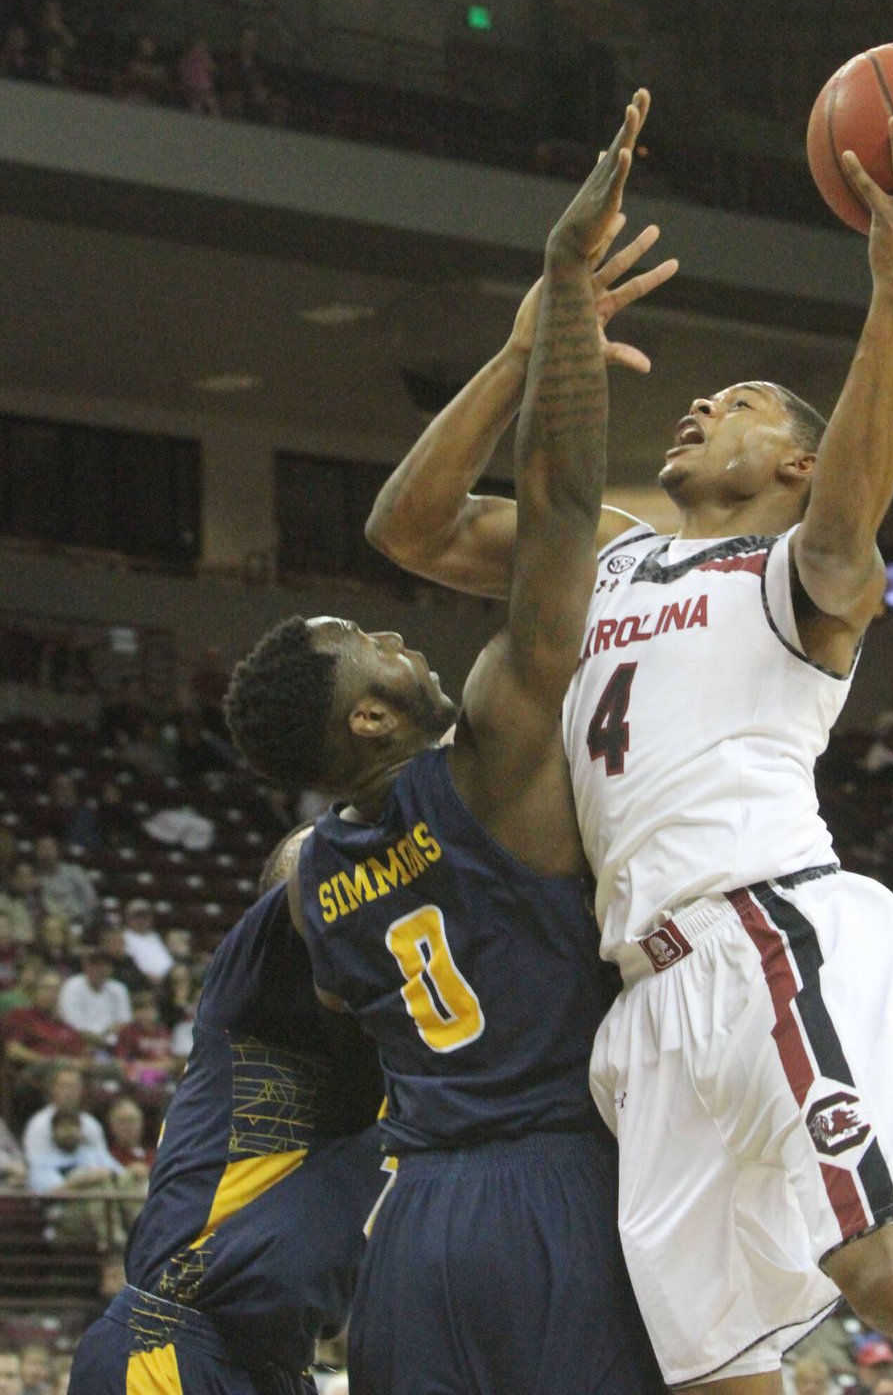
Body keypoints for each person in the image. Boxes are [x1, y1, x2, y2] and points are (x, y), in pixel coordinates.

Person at [367, 104, 893, 1393]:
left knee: (881, 1265)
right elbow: (412, 529)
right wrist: (525, 346)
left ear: (799, 461)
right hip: (640, 1002)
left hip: (761, 929)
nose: (704, 400)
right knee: (717, 1372)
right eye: (710, 392)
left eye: (744, 404)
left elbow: (845, 533)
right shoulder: (607, 549)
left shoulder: (800, 576)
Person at [226, 97, 671, 1395]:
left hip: (412, 1227)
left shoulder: (303, 875)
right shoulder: (491, 762)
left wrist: (524, 342)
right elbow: (561, 515)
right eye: (378, 653)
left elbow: (323, 1005)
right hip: (565, 1192)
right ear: (369, 718)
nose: (407, 644)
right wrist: (565, 315)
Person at [67, 828, 385, 1395]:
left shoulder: (403, 1038)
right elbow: (308, 860)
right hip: (173, 1345)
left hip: (275, 1365)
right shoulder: (251, 988)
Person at [57, 952, 132, 1051]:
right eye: (96, 965)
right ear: (86, 966)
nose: (101, 970)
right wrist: (102, 1038)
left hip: (115, 1045)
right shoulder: (72, 986)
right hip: (82, 1043)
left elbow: (125, 1022)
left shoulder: (118, 989)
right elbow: (73, 1025)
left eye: (105, 966)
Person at [120, 899, 172, 983]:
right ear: (128, 917)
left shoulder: (154, 936)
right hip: (143, 982)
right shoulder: (125, 937)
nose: (142, 920)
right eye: (137, 916)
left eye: (145, 916)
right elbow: (130, 965)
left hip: (168, 979)